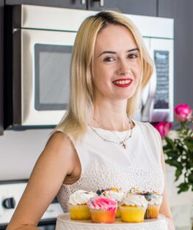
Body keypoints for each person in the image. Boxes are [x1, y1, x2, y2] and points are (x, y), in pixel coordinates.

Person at [7, 11, 175, 229]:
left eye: (132, 55)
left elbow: (165, 219)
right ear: (87, 69)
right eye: (109, 58)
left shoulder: (150, 136)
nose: (124, 68)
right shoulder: (67, 143)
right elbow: (20, 225)